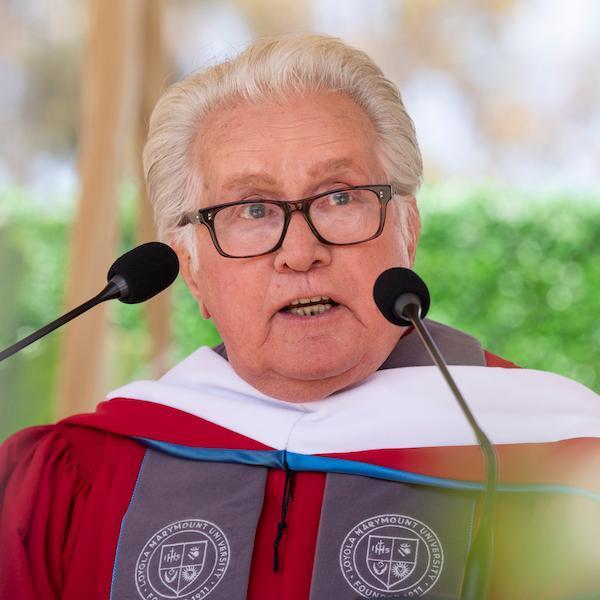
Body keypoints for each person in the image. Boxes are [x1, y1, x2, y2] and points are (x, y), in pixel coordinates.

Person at [1, 34, 599, 600]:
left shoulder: (560, 460)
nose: (299, 252)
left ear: (407, 232)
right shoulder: (67, 485)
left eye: (340, 197)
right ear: (191, 269)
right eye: (251, 209)